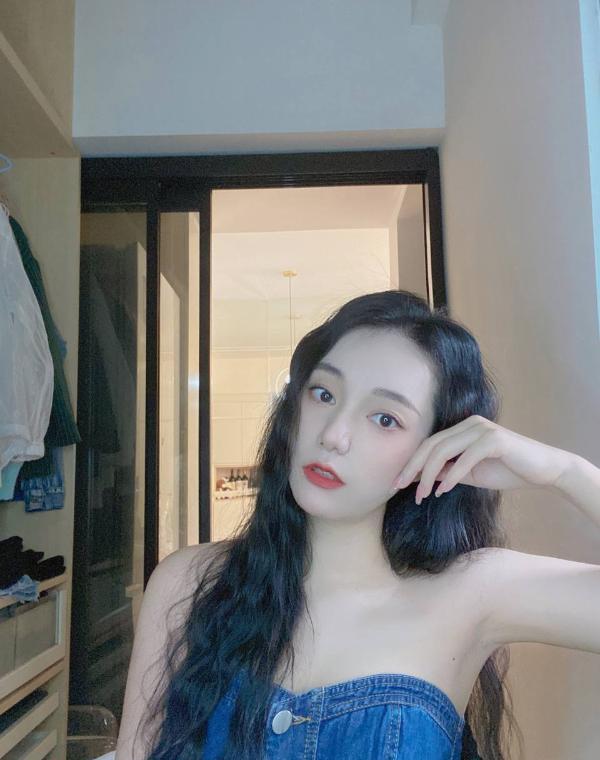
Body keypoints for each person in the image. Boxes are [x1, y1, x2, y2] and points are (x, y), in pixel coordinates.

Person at [116, 289, 600, 759]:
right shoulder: (189, 581)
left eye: (385, 419)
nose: (334, 435)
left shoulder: (471, 592)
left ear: (436, 446)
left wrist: (565, 472)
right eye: (324, 394)